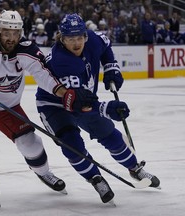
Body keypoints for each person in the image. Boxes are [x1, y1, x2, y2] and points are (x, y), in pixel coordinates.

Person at [0, 10, 92, 208]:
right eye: (6, 33)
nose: (11, 38)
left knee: (30, 143)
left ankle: (44, 173)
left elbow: (44, 74)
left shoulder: (27, 49)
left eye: (15, 33)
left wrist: (64, 93)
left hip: (6, 105)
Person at [35, 13, 161, 205]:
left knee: (109, 133)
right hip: (54, 105)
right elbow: (78, 103)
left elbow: (106, 45)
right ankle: (96, 179)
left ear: (85, 35)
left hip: (82, 98)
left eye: (79, 38)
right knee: (72, 145)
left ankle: (134, 168)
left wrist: (110, 67)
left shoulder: (92, 39)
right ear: (62, 38)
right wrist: (107, 108)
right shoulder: (61, 61)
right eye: (70, 39)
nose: (76, 44)